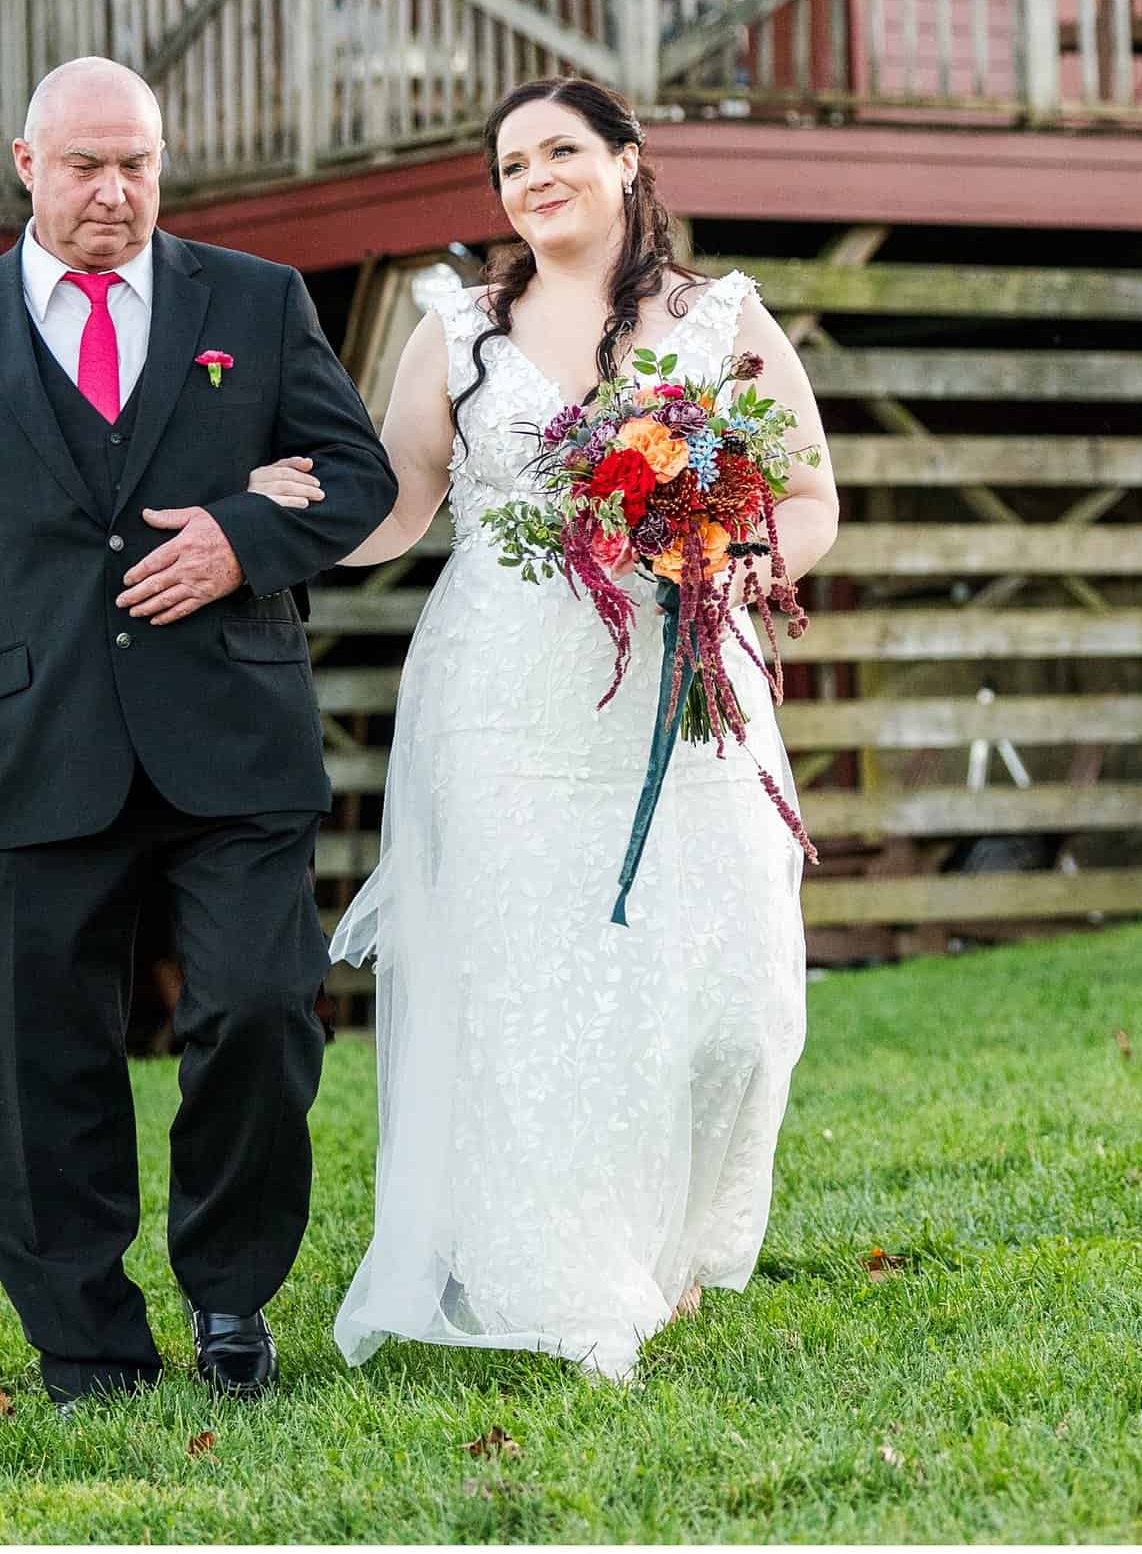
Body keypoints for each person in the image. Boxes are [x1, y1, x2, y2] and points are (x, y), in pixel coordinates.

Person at [0, 57, 397, 1408]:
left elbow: (361, 477)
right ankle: (86, 1342)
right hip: (40, 734)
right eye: (85, 166)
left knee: (261, 1006)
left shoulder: (255, 304)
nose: (115, 192)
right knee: (40, 1063)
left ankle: (230, 1293)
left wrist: (241, 538)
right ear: (26, 164)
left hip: (234, 732)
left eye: (137, 163)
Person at [250, 77, 841, 1384]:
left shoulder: (721, 319)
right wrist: (277, 514)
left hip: (680, 691)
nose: (534, 177)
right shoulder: (458, 330)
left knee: (729, 992)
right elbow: (399, 502)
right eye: (512, 162)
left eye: (562, 149)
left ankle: (670, 1244)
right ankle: (569, 1274)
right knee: (535, 983)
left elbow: (806, 494)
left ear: (628, 161)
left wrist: (734, 571)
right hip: (507, 694)